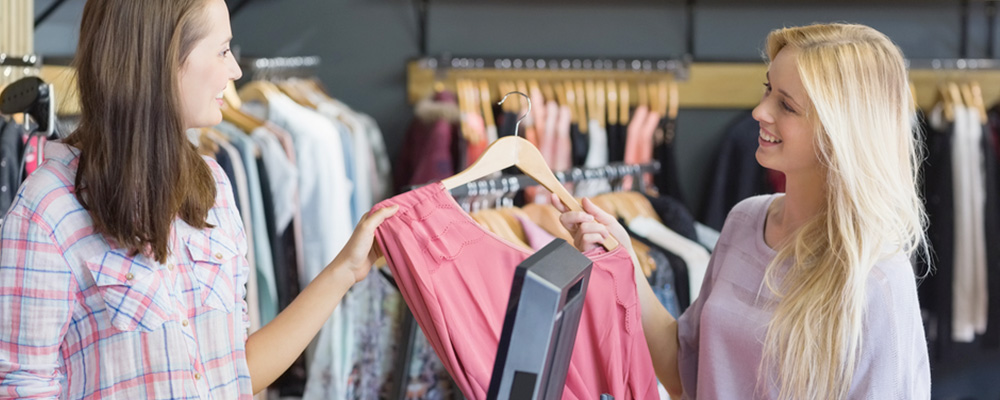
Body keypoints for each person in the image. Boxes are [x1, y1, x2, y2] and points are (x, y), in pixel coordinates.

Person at [0, 0, 396, 397]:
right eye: (223, 50)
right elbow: (21, 387)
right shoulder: (49, 210)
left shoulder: (213, 188)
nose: (235, 71)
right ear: (163, 58)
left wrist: (345, 269)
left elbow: (236, 370)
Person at [560, 23, 930, 399]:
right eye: (767, 89)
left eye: (786, 105)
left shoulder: (877, 280)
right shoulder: (745, 220)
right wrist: (625, 261)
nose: (759, 111)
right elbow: (683, 370)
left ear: (841, 132)